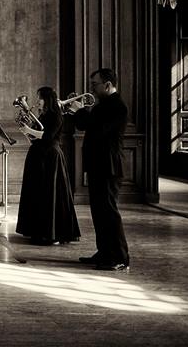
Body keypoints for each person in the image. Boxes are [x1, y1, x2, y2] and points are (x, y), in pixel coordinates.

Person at [69, 68, 130, 271]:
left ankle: (119, 257)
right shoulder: (103, 105)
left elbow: (99, 129)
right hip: (98, 166)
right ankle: (104, 252)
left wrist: (79, 110)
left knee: (109, 213)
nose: (91, 89)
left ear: (107, 85)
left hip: (109, 167)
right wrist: (76, 112)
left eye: (94, 85)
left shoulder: (117, 107)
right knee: (99, 212)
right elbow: (84, 126)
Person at [15, 87, 80, 244]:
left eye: (40, 98)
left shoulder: (56, 115)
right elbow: (36, 138)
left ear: (48, 99)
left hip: (50, 157)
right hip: (40, 155)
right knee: (38, 193)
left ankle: (51, 234)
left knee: (49, 194)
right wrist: (27, 132)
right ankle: (39, 230)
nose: (37, 101)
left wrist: (29, 129)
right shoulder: (43, 115)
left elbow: (49, 136)